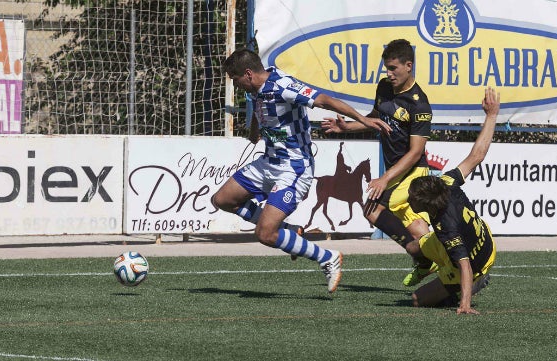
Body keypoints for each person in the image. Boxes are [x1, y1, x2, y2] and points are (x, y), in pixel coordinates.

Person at [212, 49, 391, 294]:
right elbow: (259, 106)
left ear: (248, 74)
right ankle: (289, 231)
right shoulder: (256, 89)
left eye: (235, 79)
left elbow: (325, 100)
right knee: (222, 200)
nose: (235, 84)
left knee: (265, 234)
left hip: (293, 168)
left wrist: (364, 120)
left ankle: (327, 257)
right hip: (268, 162)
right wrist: (254, 131)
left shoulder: (283, 85)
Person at [321, 39, 435, 286]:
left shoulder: (419, 103)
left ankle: (431, 259)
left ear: (408, 66)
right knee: (415, 228)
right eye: (386, 68)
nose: (389, 73)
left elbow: (416, 152)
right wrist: (345, 127)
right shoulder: (384, 87)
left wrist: (385, 178)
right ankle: (435, 262)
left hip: (412, 171)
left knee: (372, 209)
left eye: (393, 68)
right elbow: (375, 118)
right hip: (397, 172)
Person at [408, 87, 500, 314]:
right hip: (478, 234)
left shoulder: (446, 227)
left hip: (478, 262)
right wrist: (491, 116)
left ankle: (466, 289)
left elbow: (466, 266)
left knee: (417, 300)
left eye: (412, 200)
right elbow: (477, 156)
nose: (410, 202)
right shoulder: (447, 181)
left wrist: (464, 305)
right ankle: (431, 263)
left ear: (427, 205)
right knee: (412, 246)